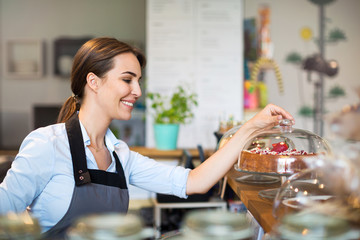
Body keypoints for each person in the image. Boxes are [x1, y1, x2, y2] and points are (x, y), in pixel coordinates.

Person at [0, 37, 294, 238]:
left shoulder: (120, 156)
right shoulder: (47, 145)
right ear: (94, 82)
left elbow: (194, 182)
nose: (137, 91)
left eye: (138, 81)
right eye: (127, 79)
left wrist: (252, 127)